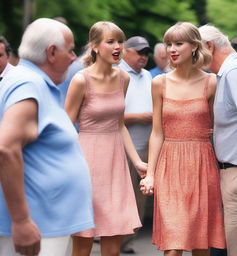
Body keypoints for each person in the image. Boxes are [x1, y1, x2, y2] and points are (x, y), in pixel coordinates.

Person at [0, 18, 94, 256]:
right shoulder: (27, 84)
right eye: (71, 50)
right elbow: (6, 148)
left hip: (48, 223)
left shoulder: (33, 82)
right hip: (38, 225)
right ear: (51, 52)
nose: (74, 58)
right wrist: (21, 221)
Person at [140, 22, 226, 256]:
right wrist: (151, 174)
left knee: (200, 243)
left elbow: (218, 129)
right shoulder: (160, 83)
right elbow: (157, 132)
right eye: (168, 44)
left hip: (202, 165)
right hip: (170, 165)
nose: (171, 49)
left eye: (178, 43)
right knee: (173, 243)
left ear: (195, 46)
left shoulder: (211, 83)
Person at [65, 21, 147, 256]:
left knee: (114, 239)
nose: (117, 46)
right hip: (86, 161)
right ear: (94, 46)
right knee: (83, 241)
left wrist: (137, 162)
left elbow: (119, 125)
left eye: (120, 41)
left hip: (115, 163)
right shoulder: (81, 80)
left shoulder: (123, 78)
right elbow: (66, 128)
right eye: (110, 41)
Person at [199, 24, 237, 256]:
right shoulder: (228, 71)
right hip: (234, 172)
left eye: (194, 50)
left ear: (209, 47)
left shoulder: (234, 71)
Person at [118, 36, 152, 254]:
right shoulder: (117, 74)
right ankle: (114, 238)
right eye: (139, 52)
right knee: (121, 195)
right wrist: (139, 117)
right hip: (121, 144)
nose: (143, 57)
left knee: (140, 197)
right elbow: (109, 115)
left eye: (146, 52)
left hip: (146, 144)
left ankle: (129, 240)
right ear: (126, 52)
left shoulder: (148, 75)